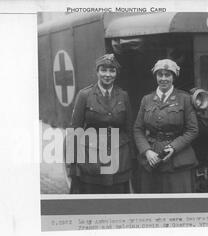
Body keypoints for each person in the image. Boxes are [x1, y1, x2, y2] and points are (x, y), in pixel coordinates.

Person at [69, 53, 133, 194]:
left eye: (112, 70)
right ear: (97, 72)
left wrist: (130, 158)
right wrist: (73, 165)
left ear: (116, 73)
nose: (107, 74)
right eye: (103, 70)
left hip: (118, 157)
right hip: (92, 158)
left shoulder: (123, 96)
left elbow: (129, 129)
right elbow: (75, 130)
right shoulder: (85, 95)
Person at [133, 59, 199, 193]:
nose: (163, 78)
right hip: (152, 160)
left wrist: (173, 148)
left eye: (167, 75)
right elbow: (137, 129)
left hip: (178, 160)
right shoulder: (146, 99)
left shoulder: (184, 99)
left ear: (173, 77)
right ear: (155, 76)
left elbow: (192, 130)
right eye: (160, 74)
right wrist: (147, 151)